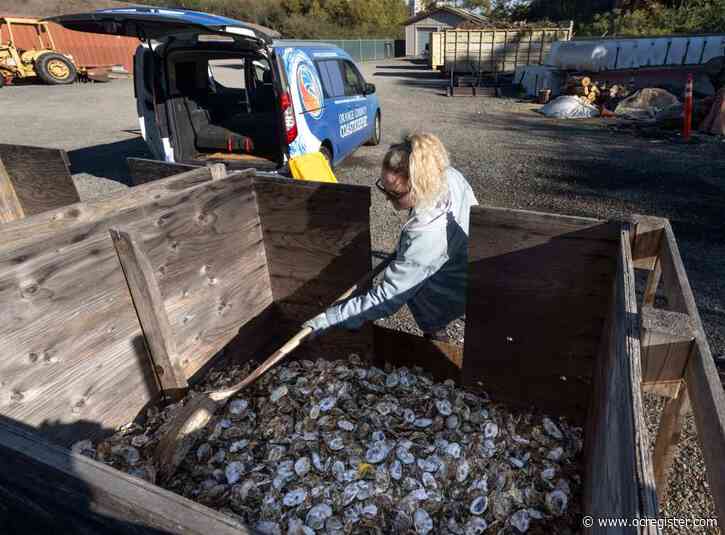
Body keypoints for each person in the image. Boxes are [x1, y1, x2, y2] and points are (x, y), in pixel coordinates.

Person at [303, 133, 479, 342]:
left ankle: (438, 342)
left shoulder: (428, 231)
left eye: (395, 194)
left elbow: (387, 298)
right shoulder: (444, 173)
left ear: (420, 186)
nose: (387, 200)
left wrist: (330, 319)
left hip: (459, 277)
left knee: (428, 303)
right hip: (464, 252)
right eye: (384, 189)